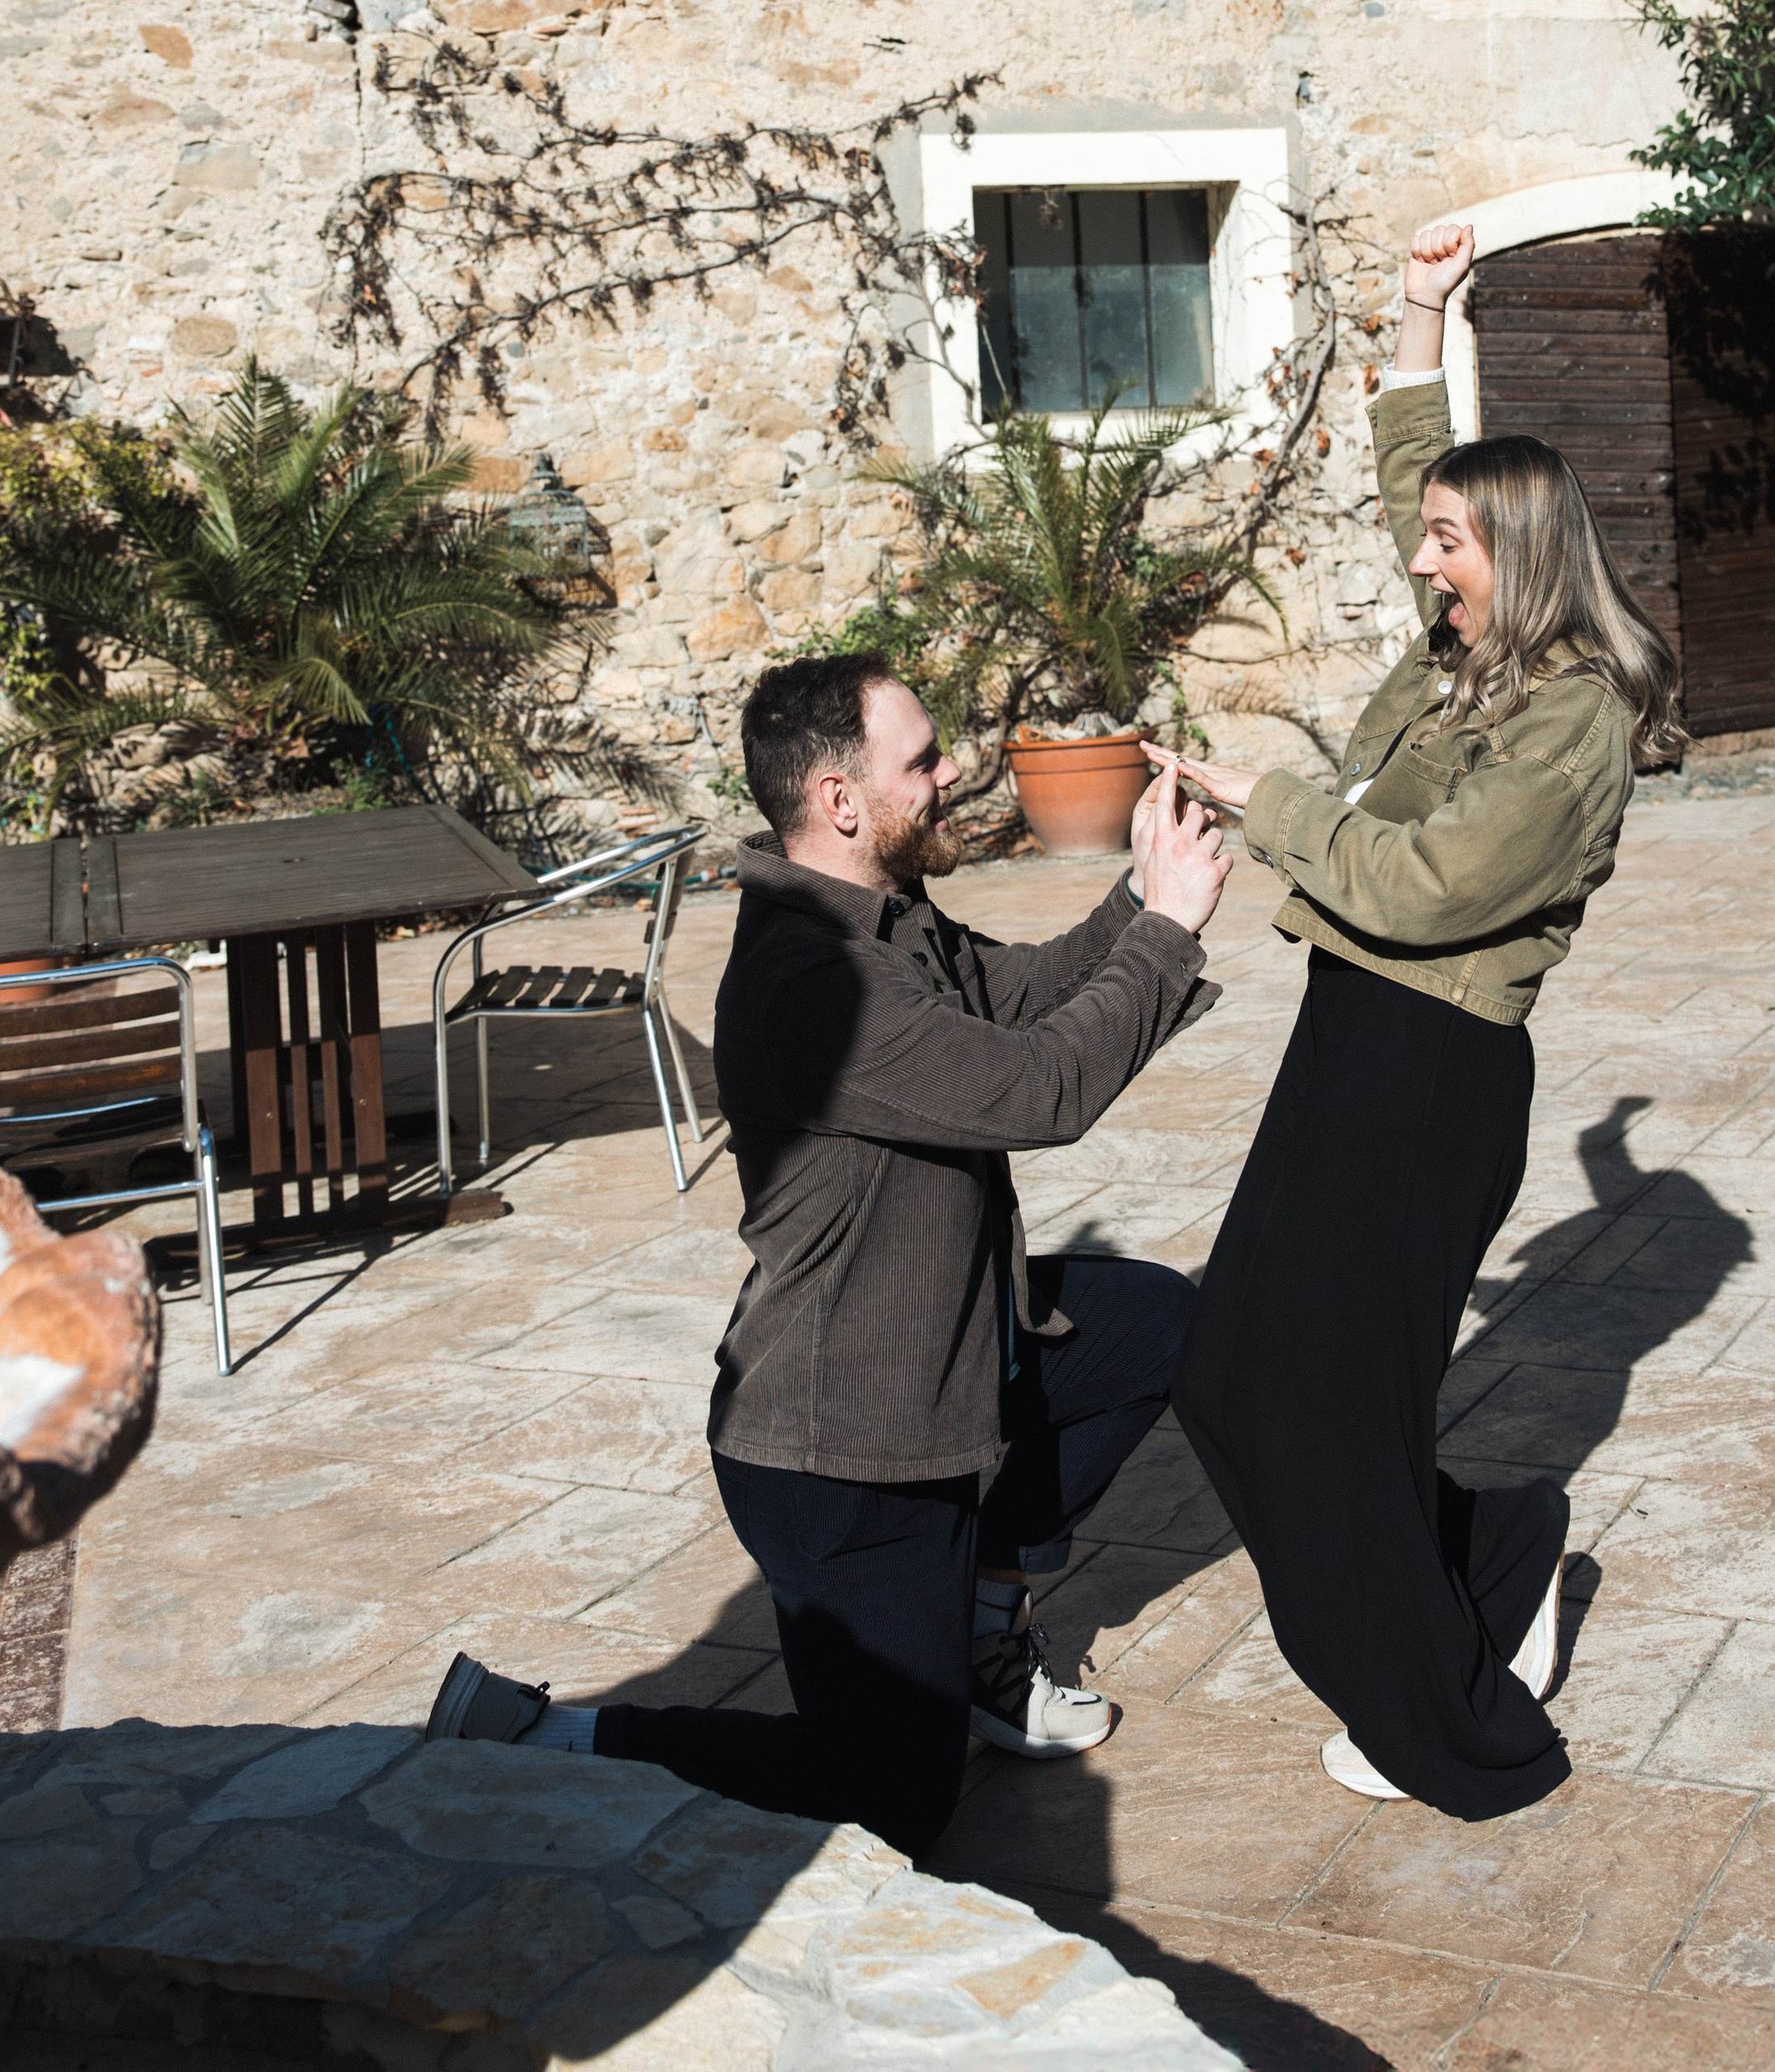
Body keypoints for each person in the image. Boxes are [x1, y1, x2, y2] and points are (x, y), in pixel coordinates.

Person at [427, 648, 1231, 1856]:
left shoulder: (879, 916)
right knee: (892, 1799)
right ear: (841, 800)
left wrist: (1136, 893)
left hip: (947, 1358)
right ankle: (550, 1735)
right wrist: (1165, 932)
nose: (952, 774)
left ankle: (980, 1626)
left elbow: (1016, 997)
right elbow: (1040, 1090)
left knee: (1147, 1329)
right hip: (845, 1451)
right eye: (924, 761)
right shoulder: (816, 984)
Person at [1144, 216, 1686, 1820]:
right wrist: (1416, 314)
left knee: (1322, 1415)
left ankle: (1447, 1722)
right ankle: (1499, 1551)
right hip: (1351, 1046)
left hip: (1430, 1069)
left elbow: (1430, 882)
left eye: (1450, 542)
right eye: (1428, 540)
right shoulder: (1473, 651)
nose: (1421, 559)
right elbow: (1412, 478)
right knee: (1231, 1379)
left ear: (1515, 551)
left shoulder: (1572, 717)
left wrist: (1269, 799)